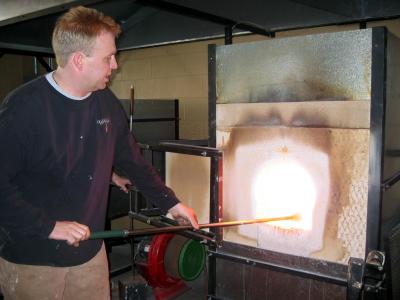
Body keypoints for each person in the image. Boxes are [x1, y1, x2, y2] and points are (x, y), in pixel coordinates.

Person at [0, 6, 199, 300]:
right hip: (34, 258)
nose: (115, 65)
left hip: (91, 253)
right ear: (79, 60)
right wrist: (49, 227)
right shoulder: (23, 109)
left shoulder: (105, 103)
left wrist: (171, 203)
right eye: (108, 57)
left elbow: (133, 160)